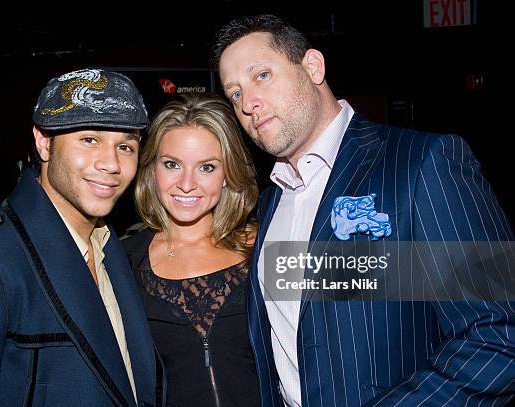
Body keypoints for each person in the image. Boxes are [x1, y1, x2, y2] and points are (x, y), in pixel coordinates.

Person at [212, 14, 515, 407]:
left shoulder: (422, 162)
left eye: (262, 76)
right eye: (234, 94)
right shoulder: (270, 201)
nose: (248, 102)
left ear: (313, 67)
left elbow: (499, 334)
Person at [0, 68, 161, 406]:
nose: (111, 164)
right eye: (90, 139)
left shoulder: (109, 245)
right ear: (43, 142)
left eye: (125, 146)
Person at [122, 94, 261, 406]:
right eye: (172, 164)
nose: (187, 184)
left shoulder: (265, 245)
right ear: (152, 169)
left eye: (207, 167)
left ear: (228, 175)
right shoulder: (122, 262)